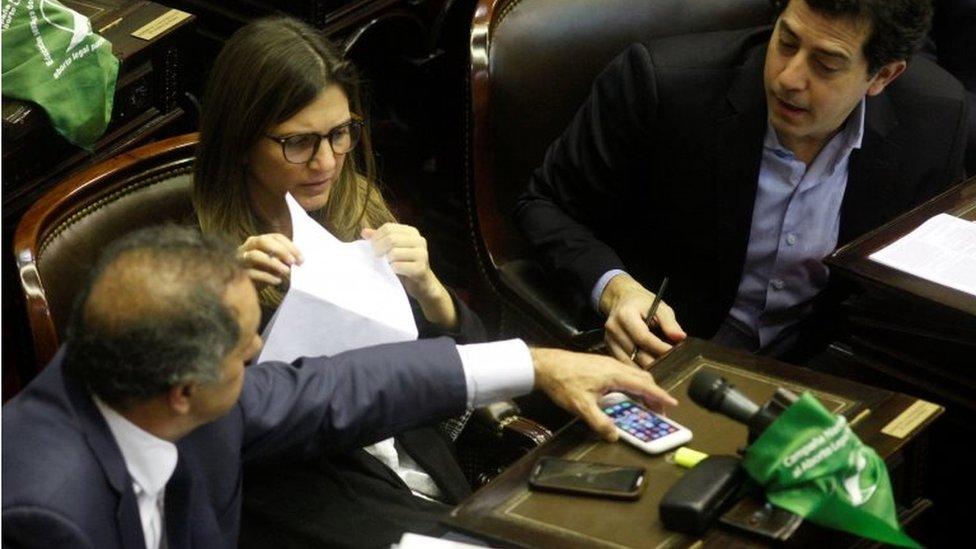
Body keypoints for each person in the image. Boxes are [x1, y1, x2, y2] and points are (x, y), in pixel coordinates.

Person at [1, 225, 676, 549]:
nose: (262, 352)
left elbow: (336, 387)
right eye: (245, 352)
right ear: (182, 391)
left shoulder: (148, 381)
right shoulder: (42, 514)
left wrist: (536, 363)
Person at [190, 16, 508, 546]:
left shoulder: (354, 202)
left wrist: (432, 295)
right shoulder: (193, 260)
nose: (326, 161)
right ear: (242, 140)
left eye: (340, 133)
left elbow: (465, 371)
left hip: (416, 462)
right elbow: (198, 435)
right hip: (318, 502)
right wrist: (219, 312)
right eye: (298, 143)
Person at [515, 0, 968, 365]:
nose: (789, 78)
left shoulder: (935, 120)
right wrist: (617, 288)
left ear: (883, 75)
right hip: (667, 361)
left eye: (826, 65)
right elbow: (544, 204)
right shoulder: (660, 86)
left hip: (822, 373)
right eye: (786, 41)